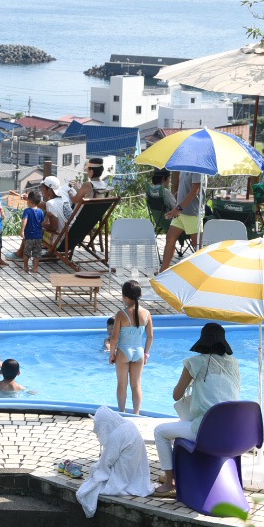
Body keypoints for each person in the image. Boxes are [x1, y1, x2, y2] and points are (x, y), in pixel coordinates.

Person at [151, 322, 241, 498]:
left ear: (203, 341)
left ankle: (170, 482)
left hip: (206, 431)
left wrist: (192, 379)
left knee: (160, 432)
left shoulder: (195, 363)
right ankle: (179, 473)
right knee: (182, 424)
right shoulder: (234, 364)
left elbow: (176, 395)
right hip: (232, 432)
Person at [110, 280, 155, 414]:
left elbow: (114, 337)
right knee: (136, 385)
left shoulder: (121, 314)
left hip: (123, 351)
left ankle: (122, 413)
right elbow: (150, 336)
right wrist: (146, 354)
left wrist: (112, 354)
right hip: (139, 352)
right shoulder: (147, 313)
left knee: (122, 385)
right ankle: (136, 414)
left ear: (125, 296)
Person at [159, 169, 204, 272]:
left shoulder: (198, 169)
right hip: (180, 213)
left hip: (192, 213)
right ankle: (163, 272)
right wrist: (177, 204)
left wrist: (178, 208)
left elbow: (195, 190)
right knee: (170, 238)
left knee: (198, 246)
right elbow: (184, 187)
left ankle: (202, 273)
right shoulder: (184, 166)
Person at [19, 190, 47, 273]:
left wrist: (22, 231)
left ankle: (25, 267)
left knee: (26, 252)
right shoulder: (41, 212)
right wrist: (48, 217)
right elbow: (42, 223)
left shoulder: (27, 211)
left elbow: (25, 220)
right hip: (38, 237)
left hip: (29, 236)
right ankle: (35, 268)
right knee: (37, 253)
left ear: (30, 201)